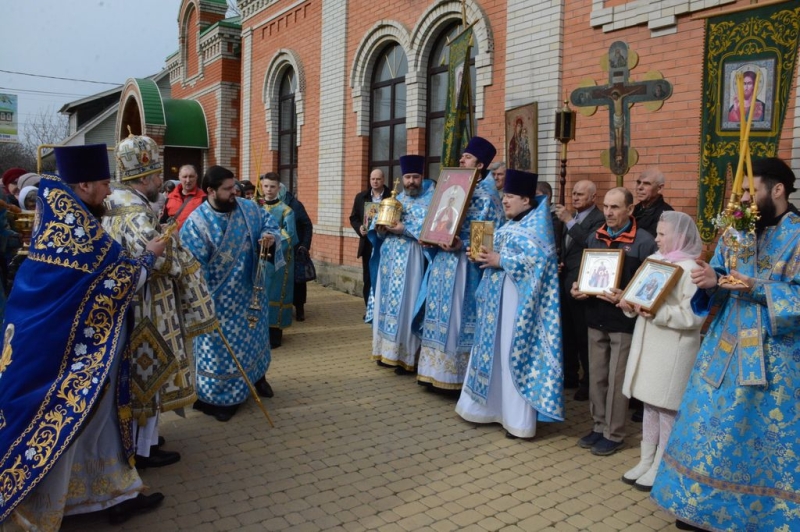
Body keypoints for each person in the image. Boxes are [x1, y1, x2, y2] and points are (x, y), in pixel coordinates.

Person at [0, 144, 168, 529]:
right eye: (105, 183)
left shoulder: (67, 218)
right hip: (68, 359)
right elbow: (112, 285)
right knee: (72, 428)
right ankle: (53, 506)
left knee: (97, 425)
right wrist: (149, 257)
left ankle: (111, 495)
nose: (109, 191)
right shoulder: (76, 230)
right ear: (85, 183)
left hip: (82, 351)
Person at [652, 158, 800, 531]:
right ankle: (696, 507)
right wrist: (709, 278)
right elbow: (718, 272)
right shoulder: (738, 230)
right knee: (704, 430)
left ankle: (755, 516)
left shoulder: (798, 235)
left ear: (778, 189)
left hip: (773, 361)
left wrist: (756, 289)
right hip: (722, 352)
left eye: (752, 190)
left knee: (752, 439)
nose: (745, 200)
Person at [103, 133, 216, 469]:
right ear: (143, 177)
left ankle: (146, 439)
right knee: (148, 374)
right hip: (145, 306)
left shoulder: (117, 203)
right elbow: (155, 257)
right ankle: (142, 448)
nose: (158, 183)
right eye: (155, 177)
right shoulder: (133, 210)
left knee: (147, 372)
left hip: (138, 302)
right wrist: (179, 255)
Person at [457, 169, 564, 438]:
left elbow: (539, 264)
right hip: (496, 304)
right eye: (504, 196)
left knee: (510, 355)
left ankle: (517, 421)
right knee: (493, 354)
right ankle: (488, 409)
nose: (505, 201)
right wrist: (481, 257)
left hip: (518, 308)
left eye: (511, 197)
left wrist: (500, 260)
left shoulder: (537, 228)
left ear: (527, 200)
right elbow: (494, 256)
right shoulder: (509, 224)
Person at [180, 165, 283, 422]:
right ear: (211, 191)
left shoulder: (248, 209)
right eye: (227, 189)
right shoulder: (197, 223)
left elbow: (270, 224)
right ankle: (219, 396)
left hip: (250, 293)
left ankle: (257, 378)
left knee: (255, 341)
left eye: (234, 186)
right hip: (217, 302)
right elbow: (190, 266)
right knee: (220, 353)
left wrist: (269, 237)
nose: (234, 192)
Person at [618, 211, 704, 492]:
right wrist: (628, 304)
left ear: (679, 237)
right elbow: (641, 296)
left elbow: (693, 318)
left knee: (667, 409)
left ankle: (661, 464)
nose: (656, 238)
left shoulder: (692, 269)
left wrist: (656, 311)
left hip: (673, 350)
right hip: (650, 345)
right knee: (649, 405)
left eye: (662, 234)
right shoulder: (656, 261)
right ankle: (646, 460)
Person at [571, 187, 657, 456]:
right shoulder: (595, 237)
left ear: (630, 210)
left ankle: (614, 432)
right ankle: (598, 426)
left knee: (617, 379)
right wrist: (577, 288)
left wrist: (628, 296)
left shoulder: (644, 242)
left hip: (624, 322)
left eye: (615, 207)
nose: (608, 212)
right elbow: (586, 275)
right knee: (596, 377)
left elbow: (649, 285)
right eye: (606, 206)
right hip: (595, 317)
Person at [418, 136, 504, 390]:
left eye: (467, 157)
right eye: (462, 156)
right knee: (437, 314)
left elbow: (491, 237)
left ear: (479, 166)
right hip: (442, 264)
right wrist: (430, 238)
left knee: (456, 319)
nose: (461, 159)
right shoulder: (448, 189)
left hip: (465, 269)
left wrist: (462, 245)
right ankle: (432, 371)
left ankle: (454, 376)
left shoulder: (488, 197)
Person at [368, 155, 434, 372]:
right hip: (389, 259)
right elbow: (379, 231)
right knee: (386, 304)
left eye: (415, 177)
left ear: (421, 177)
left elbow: (431, 232)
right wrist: (380, 230)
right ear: (402, 178)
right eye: (408, 177)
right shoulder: (396, 200)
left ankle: (405, 357)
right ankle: (385, 352)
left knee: (407, 304)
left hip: (412, 258)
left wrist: (404, 229)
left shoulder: (430, 201)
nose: (411, 181)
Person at [554, 180, 605, 400]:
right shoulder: (571, 216)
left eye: (581, 194)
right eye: (573, 193)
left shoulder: (599, 219)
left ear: (593, 197)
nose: (575, 198)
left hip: (583, 282)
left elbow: (591, 242)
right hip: (564, 279)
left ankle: (588, 382)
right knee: (567, 331)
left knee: (583, 334)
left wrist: (568, 221)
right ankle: (569, 374)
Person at [259, 172, 296, 348]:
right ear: (262, 187)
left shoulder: (286, 210)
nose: (269, 190)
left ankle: (274, 335)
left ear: (278, 188)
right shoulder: (254, 208)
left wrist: (274, 238)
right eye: (266, 186)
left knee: (274, 294)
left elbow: (292, 236)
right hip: (258, 260)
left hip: (277, 261)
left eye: (272, 186)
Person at [349, 169, 391, 307]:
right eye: (372, 179)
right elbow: (354, 217)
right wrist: (360, 228)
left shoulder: (392, 197)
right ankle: (369, 308)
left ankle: (383, 307)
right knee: (368, 276)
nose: (375, 181)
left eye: (378, 179)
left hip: (386, 242)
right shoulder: (361, 197)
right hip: (367, 243)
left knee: (385, 275)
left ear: (383, 179)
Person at [279, 182, 313, 321]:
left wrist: (304, 245)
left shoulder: (295, 205)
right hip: (278, 250)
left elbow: (307, 225)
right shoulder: (269, 204)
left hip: (295, 249)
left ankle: (299, 308)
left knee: (298, 281)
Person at [161, 164, 206, 228]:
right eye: (185, 177)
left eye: (191, 176)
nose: (188, 180)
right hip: (173, 237)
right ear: (179, 177)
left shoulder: (204, 197)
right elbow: (163, 220)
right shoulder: (170, 197)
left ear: (196, 177)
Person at [632, 168, 673, 237]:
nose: (639, 187)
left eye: (646, 184)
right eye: (638, 182)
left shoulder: (666, 215)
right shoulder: (633, 210)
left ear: (659, 188)